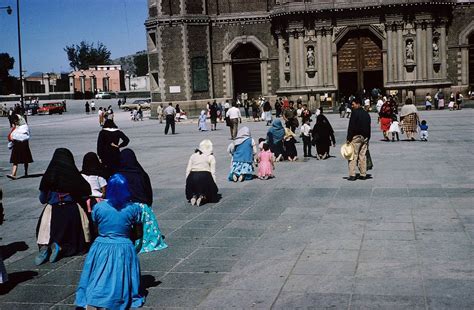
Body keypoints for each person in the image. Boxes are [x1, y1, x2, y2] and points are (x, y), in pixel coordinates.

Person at [75, 174, 145, 310]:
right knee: (119, 278)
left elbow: (96, 228)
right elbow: (138, 233)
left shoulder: (99, 207)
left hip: (101, 244)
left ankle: (93, 299)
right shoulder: (133, 208)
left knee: (98, 274)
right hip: (123, 244)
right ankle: (111, 301)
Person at [35, 148, 91, 265]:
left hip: (54, 210)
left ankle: (45, 247)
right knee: (79, 243)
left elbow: (42, 199)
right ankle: (61, 248)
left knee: (44, 227)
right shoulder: (74, 176)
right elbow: (85, 193)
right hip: (72, 211)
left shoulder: (48, 177)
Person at [118, 149, 167, 253]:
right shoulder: (141, 174)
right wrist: (148, 204)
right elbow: (148, 191)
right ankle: (146, 241)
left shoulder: (119, 175)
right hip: (142, 207)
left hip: (125, 207)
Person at [185, 139, 219, 206]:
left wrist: (188, 182)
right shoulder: (211, 157)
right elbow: (213, 173)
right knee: (210, 189)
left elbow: (187, 170)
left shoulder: (193, 155)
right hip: (205, 176)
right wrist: (213, 185)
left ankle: (194, 196)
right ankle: (202, 196)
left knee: (195, 185)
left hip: (192, 176)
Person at [346, 97, 371, 181]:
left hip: (356, 137)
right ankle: (363, 174)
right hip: (365, 137)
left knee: (353, 155)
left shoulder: (354, 113)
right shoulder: (366, 113)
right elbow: (369, 126)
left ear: (358, 104)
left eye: (353, 104)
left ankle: (352, 174)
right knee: (362, 155)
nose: (352, 106)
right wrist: (368, 137)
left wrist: (348, 138)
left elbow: (351, 126)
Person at [7, 115, 33, 179]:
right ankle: (13, 174)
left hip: (23, 144)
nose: (15, 122)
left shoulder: (24, 126)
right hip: (18, 144)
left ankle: (26, 172)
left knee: (25, 160)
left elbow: (26, 135)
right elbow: (11, 136)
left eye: (16, 121)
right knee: (15, 160)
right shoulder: (17, 127)